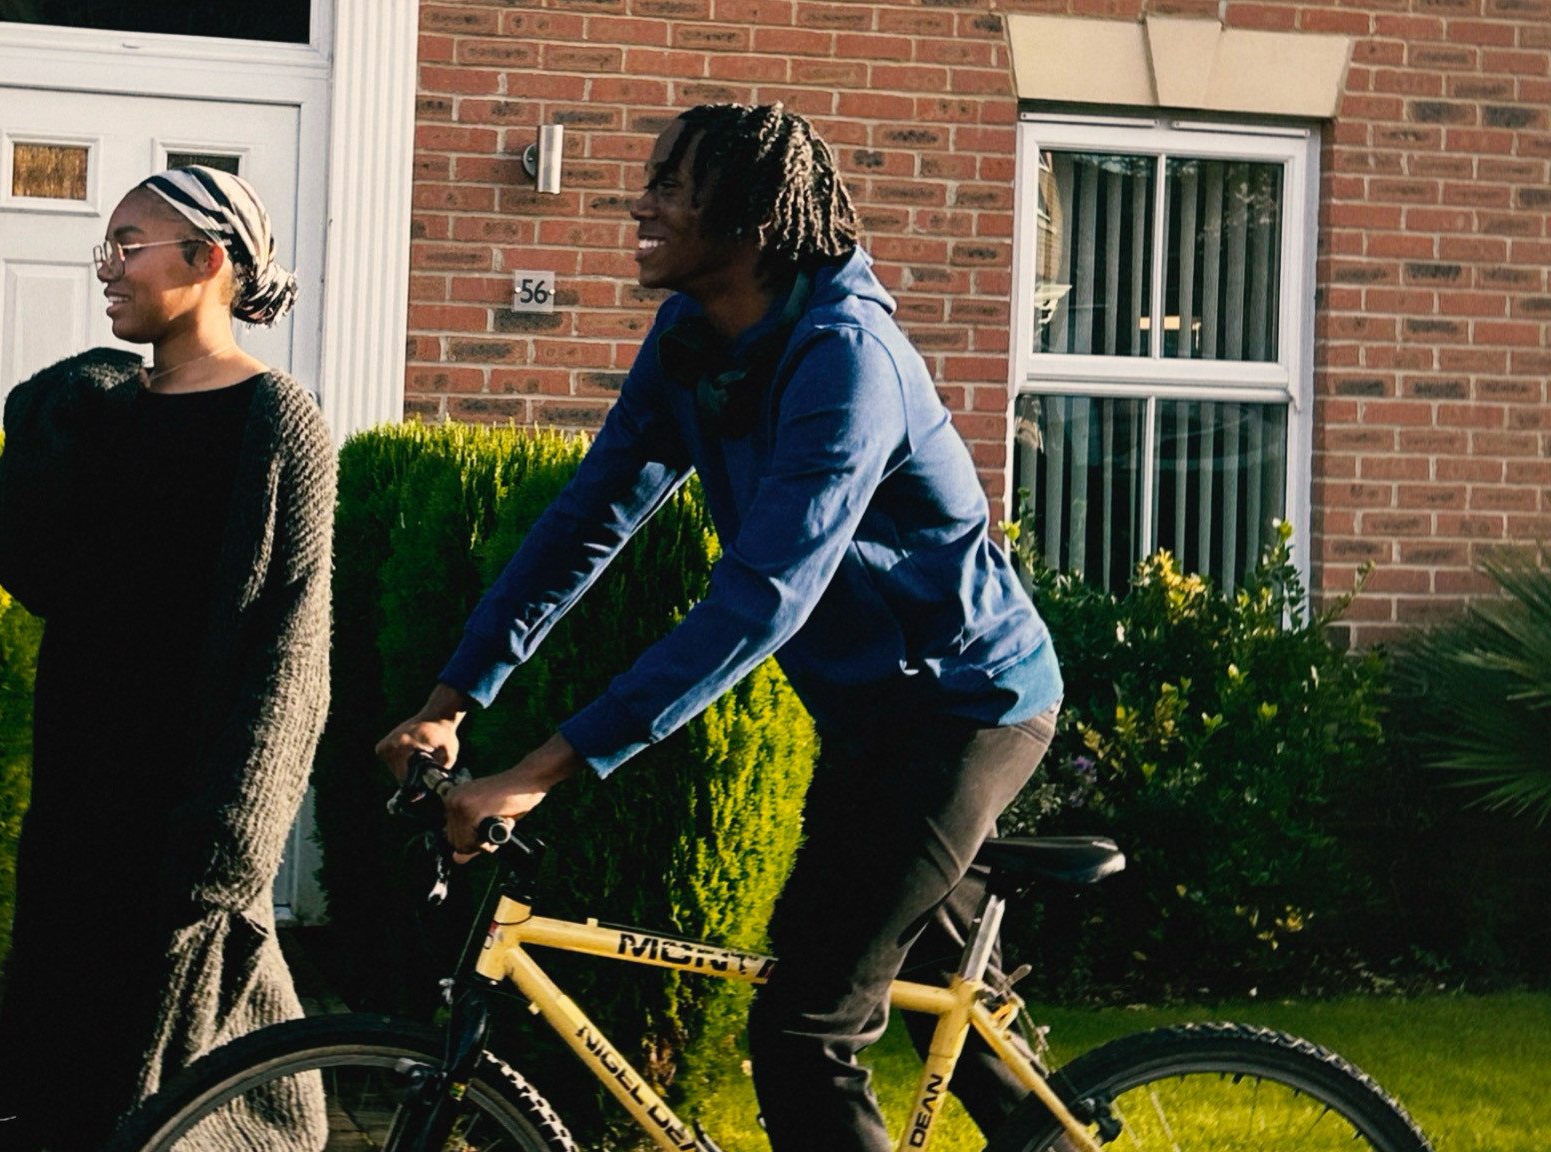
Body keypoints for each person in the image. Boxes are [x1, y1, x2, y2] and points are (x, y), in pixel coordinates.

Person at [375, 104, 1063, 1152]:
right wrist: (453, 701)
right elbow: (587, 519)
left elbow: (761, 599)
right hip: (871, 716)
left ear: (749, 217)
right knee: (949, 1015)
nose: (639, 205)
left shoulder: (847, 361)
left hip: (961, 707)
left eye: (669, 185)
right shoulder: (693, 341)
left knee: (804, 1030)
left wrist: (539, 772)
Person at [0, 165, 333, 1150]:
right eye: (109, 245)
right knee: (41, 1071)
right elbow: (29, 560)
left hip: (186, 819)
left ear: (206, 260)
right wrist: (46, 415)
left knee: (175, 1091)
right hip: (77, 794)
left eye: (129, 245)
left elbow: (291, 647)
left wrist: (233, 838)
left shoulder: (277, 422)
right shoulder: (106, 411)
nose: (106, 265)